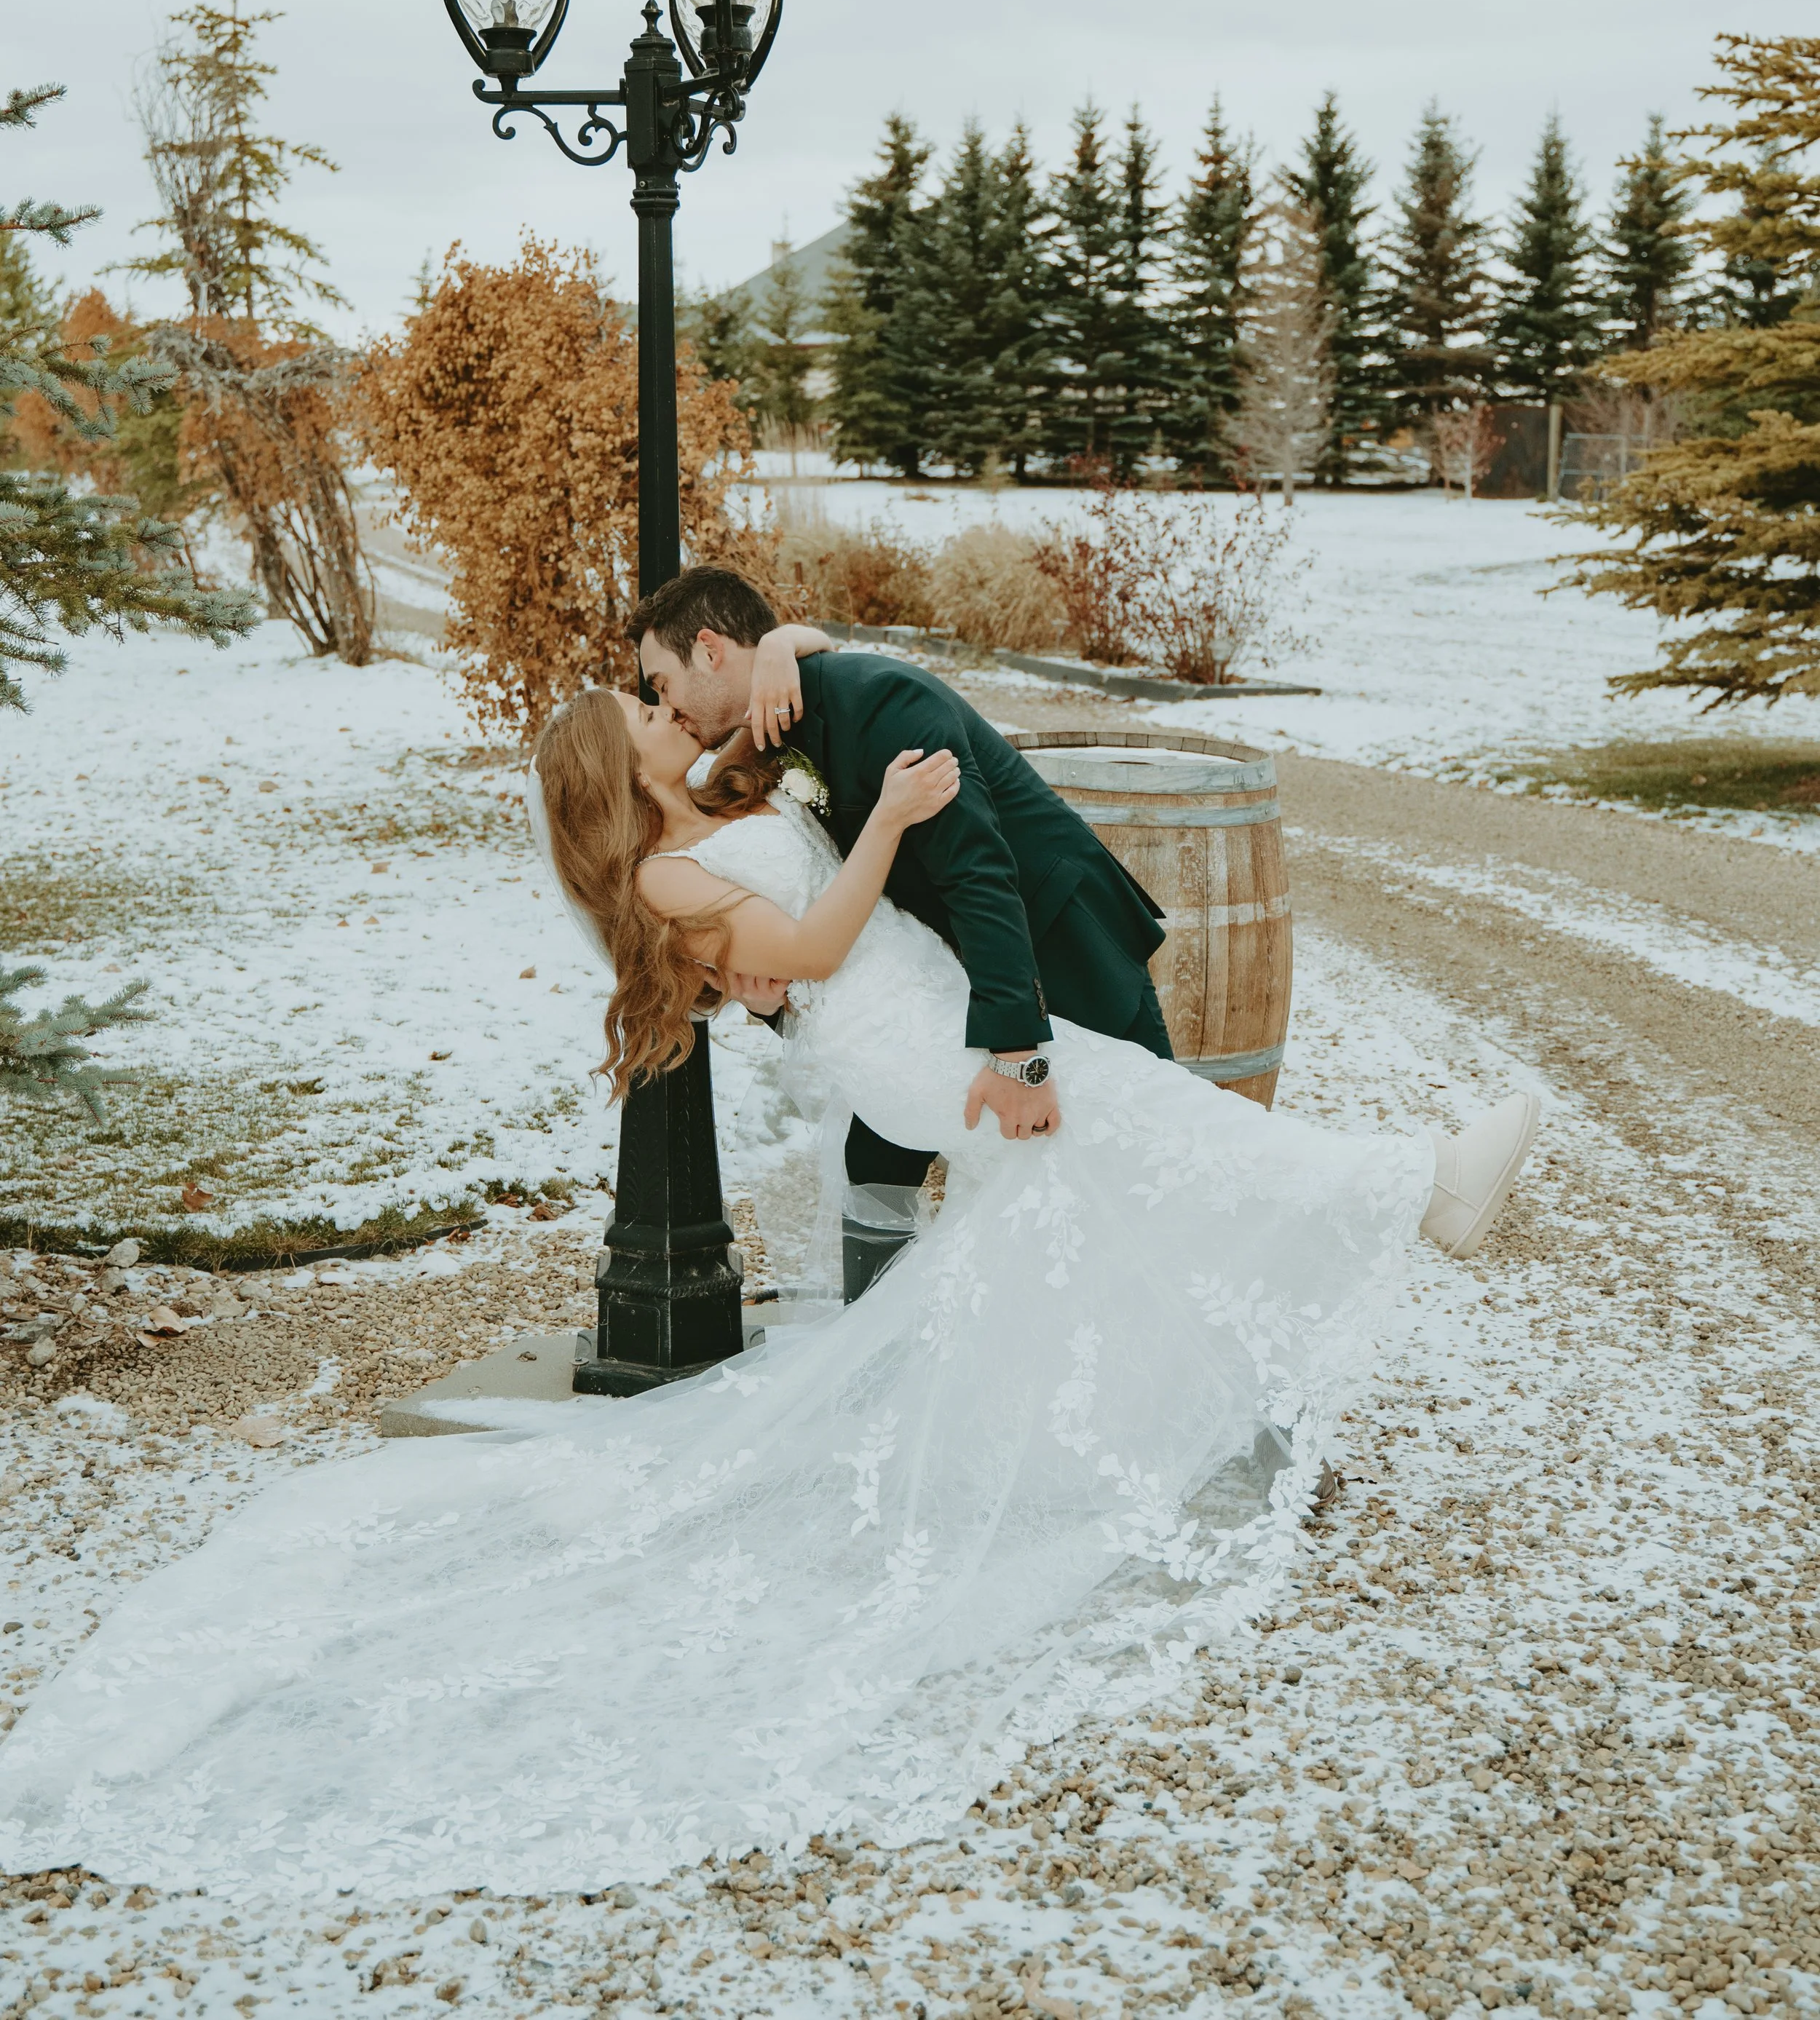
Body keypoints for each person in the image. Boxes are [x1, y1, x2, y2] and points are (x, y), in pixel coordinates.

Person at [0, 681, 1538, 1901]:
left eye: (658, 701)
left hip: (911, 1016)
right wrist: (895, 818)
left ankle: (1085, 1419)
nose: (667, 719)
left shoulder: (698, 834)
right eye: (645, 722)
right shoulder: (673, 865)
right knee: (1135, 1108)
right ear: (625, 776)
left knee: (1096, 1158)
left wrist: (812, 759)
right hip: (903, 1042)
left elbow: (773, 889)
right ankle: (1418, 1188)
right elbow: (802, 937)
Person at [628, 564, 1177, 1294]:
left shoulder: (882, 700)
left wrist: (1018, 1056)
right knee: (875, 1171)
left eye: (660, 683)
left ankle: (1231, 1388)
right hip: (924, 988)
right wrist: (771, 1001)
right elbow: (811, 897)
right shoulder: (752, 744)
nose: (663, 705)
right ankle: (888, 1369)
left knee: (1150, 1160)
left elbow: (980, 873)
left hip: (1056, 941)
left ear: (709, 649)